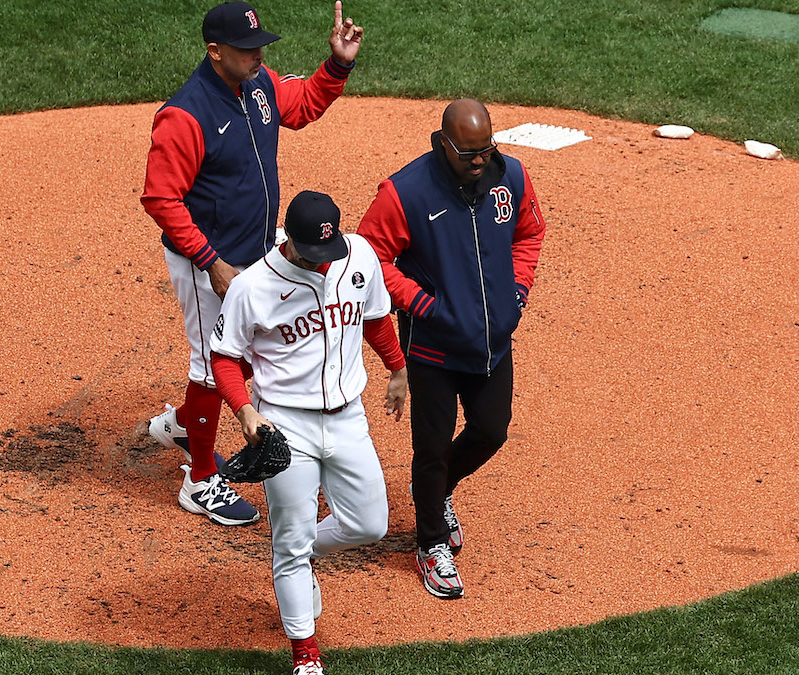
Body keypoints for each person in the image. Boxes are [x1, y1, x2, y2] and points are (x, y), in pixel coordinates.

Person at [140, 1, 363, 526]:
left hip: (257, 250)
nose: (258, 54)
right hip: (207, 263)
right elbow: (161, 199)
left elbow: (303, 104)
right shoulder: (184, 115)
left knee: (253, 353)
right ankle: (199, 479)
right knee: (213, 364)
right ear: (215, 52)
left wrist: (337, 65)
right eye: (246, 49)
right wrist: (210, 261)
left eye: (260, 44)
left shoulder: (259, 86)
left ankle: (182, 423)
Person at [356, 99, 546, 600]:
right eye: (468, 153)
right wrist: (420, 303)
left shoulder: (512, 177)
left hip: (492, 343)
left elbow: (529, 233)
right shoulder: (407, 191)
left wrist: (517, 292)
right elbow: (369, 255)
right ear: (442, 143)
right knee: (432, 449)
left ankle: (435, 496)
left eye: (487, 149)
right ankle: (430, 543)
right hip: (434, 348)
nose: (480, 161)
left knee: (491, 431)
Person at [211, 191, 406, 675]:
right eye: (311, 253)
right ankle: (306, 656)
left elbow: (377, 318)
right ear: (290, 242)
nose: (322, 263)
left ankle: (301, 553)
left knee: (369, 525)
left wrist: (397, 369)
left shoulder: (357, 253)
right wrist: (243, 412)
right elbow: (224, 357)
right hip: (285, 424)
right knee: (289, 541)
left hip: (348, 417)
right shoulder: (253, 286)